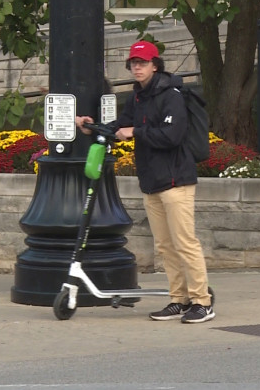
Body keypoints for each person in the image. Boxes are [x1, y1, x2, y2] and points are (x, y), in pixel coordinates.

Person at [76, 40, 214, 323]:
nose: (137, 68)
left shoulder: (171, 94)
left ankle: (202, 301)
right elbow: (120, 126)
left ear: (155, 65)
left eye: (142, 63)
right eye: (133, 63)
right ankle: (179, 299)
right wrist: (92, 127)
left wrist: (136, 132)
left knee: (185, 242)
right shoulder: (138, 96)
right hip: (152, 180)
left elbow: (171, 135)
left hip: (177, 180)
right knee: (165, 245)